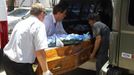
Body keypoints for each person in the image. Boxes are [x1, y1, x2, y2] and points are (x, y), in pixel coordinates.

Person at [3, 3, 52, 75]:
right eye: (45, 14)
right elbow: (40, 51)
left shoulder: (21, 22)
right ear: (42, 13)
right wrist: (46, 71)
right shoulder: (39, 25)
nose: (45, 16)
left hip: (7, 59)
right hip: (20, 65)